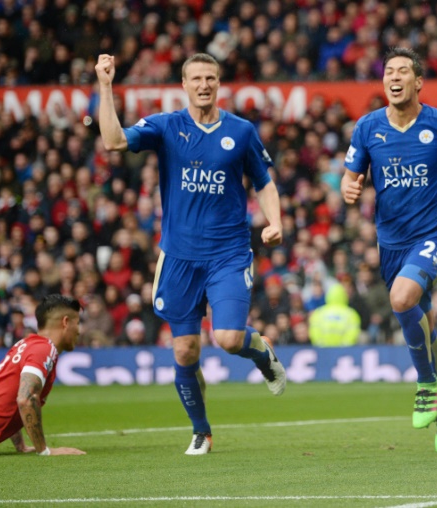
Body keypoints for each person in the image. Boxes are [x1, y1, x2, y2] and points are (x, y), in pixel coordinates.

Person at [95, 52, 287, 456]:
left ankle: (261, 352)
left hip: (228, 253)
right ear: (183, 84)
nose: (204, 85)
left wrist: (275, 221)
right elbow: (113, 141)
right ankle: (202, 431)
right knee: (185, 350)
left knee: (228, 338)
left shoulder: (241, 131)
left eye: (210, 78)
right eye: (196, 78)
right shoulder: (167, 126)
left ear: (219, 83)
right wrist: (106, 85)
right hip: (179, 257)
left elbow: (264, 182)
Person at [341, 47, 437, 453]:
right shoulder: (367, 127)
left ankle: (427, 384)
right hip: (391, 242)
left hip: (436, 233)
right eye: (388, 72)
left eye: (402, 71)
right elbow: (350, 174)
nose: (394, 77)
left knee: (401, 298)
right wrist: (348, 187)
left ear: (419, 82)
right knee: (423, 323)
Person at [0, 294, 86, 457]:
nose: (79, 331)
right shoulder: (44, 349)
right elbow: (25, 399)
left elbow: (9, 394)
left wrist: (21, 445)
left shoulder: (27, 344)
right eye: (77, 323)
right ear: (65, 322)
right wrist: (44, 450)